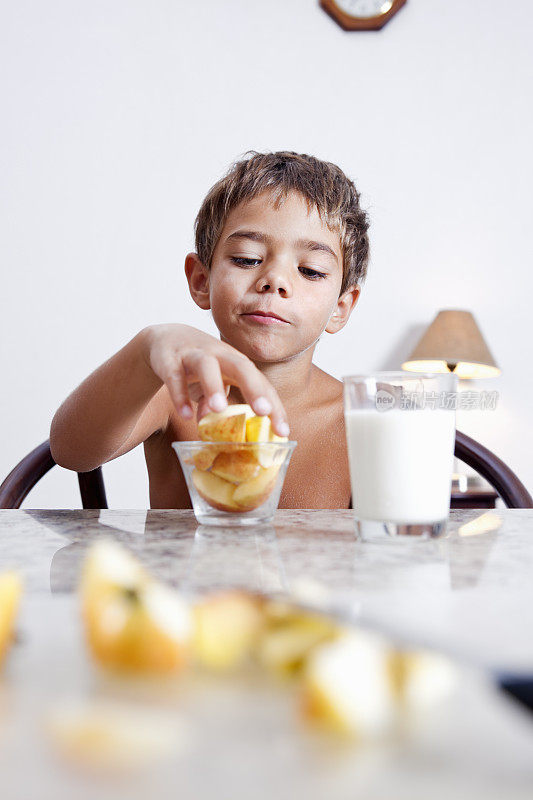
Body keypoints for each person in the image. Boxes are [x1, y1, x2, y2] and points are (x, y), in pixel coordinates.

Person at [50, 150, 370, 508]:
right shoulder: (172, 394)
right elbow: (71, 451)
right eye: (247, 259)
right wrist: (147, 348)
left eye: (310, 270)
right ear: (201, 280)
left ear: (341, 308)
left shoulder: (363, 421)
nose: (275, 281)